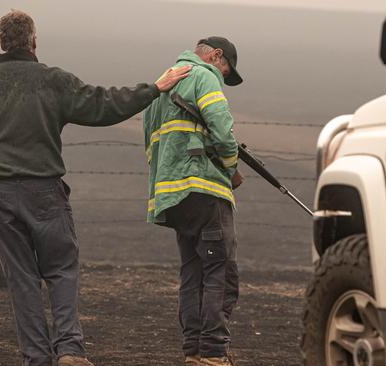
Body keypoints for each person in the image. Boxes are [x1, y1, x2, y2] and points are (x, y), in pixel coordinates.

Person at [0, 9, 190, 366]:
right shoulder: (53, 81)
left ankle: (37, 358)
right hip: (44, 190)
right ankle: (70, 350)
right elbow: (104, 105)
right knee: (61, 268)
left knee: (22, 277)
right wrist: (153, 89)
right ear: (34, 41)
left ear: (1, 42)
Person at [143, 37, 244, 366]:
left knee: (192, 271)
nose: (224, 76)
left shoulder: (163, 85)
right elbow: (222, 130)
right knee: (220, 271)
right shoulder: (204, 76)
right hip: (204, 188)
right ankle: (213, 353)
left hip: (173, 194)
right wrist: (231, 168)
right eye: (226, 69)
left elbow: (151, 144)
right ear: (216, 56)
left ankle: (194, 351)